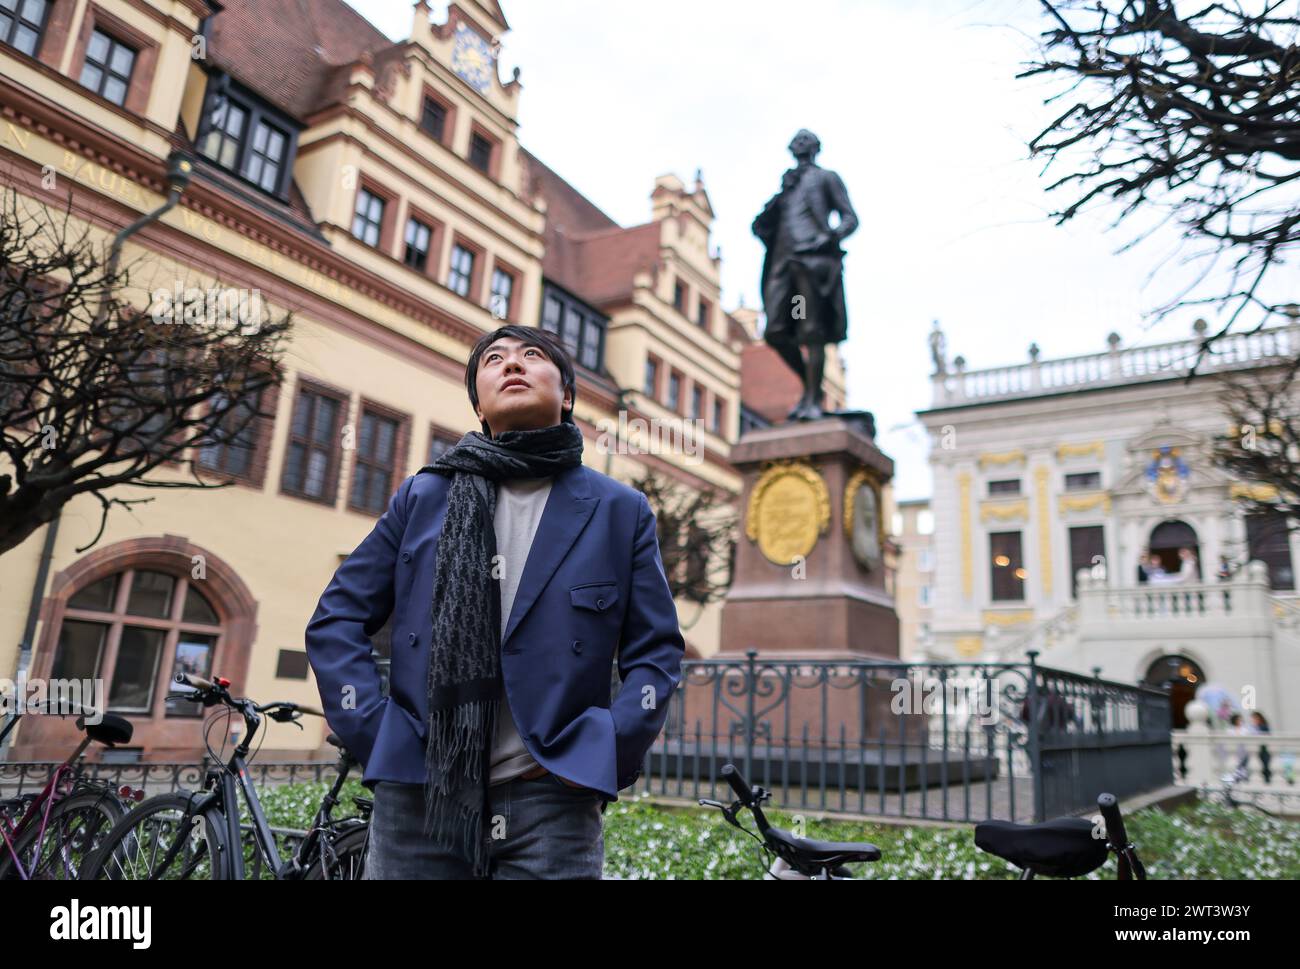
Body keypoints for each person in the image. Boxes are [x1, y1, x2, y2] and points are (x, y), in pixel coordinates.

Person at [305, 325, 686, 879]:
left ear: (568, 396)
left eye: (532, 356)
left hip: (551, 800)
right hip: (420, 793)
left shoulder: (618, 510)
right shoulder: (424, 496)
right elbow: (337, 617)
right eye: (494, 360)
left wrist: (605, 747)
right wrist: (373, 728)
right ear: (479, 405)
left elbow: (656, 651)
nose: (513, 364)